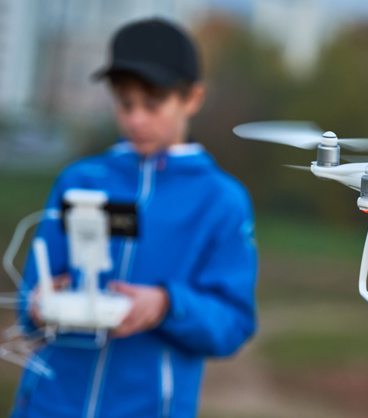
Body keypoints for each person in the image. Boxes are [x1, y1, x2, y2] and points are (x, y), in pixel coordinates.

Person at [11, 18, 258, 417]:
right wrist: (39, 305)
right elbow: (30, 300)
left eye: (152, 104)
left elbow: (233, 324)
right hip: (48, 404)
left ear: (192, 98)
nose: (137, 119)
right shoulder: (79, 180)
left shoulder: (221, 200)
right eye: (126, 103)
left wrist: (166, 304)